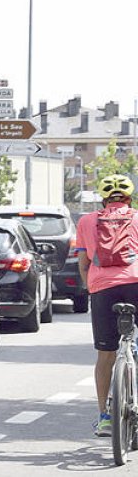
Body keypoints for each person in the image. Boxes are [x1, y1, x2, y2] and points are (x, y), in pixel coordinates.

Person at [76, 174, 138, 437]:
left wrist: (91, 288)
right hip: (136, 284)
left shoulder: (86, 221)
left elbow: (83, 264)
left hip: (103, 289)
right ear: (129, 198)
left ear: (103, 199)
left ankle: (104, 417)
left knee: (105, 355)